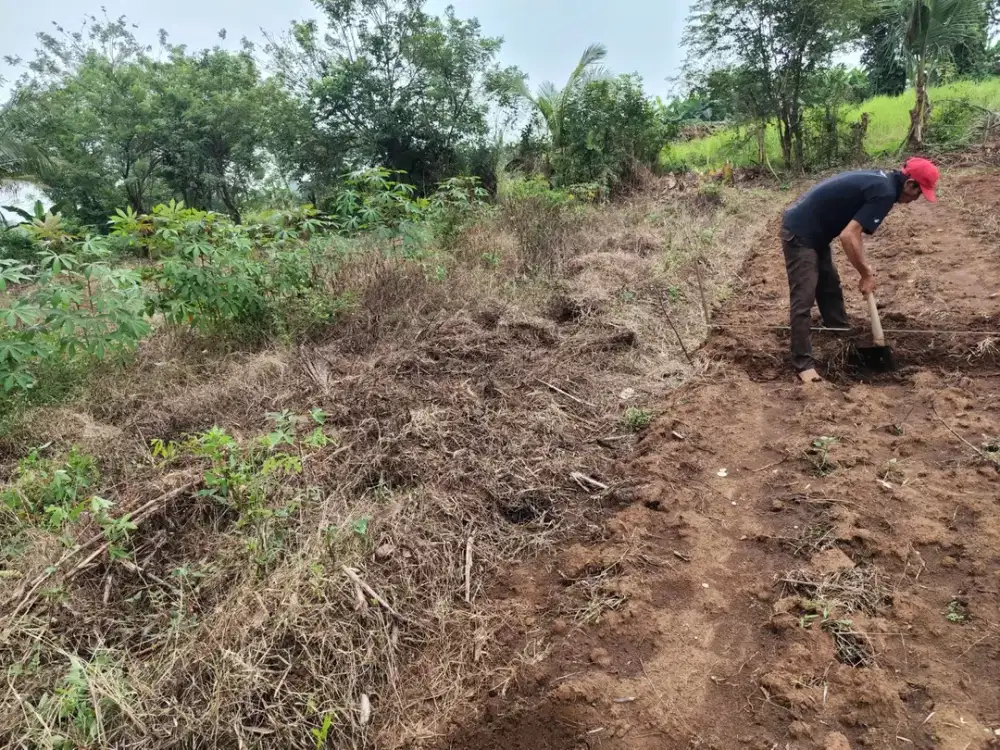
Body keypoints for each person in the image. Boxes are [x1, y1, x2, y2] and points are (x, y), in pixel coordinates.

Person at [780, 157, 940, 383]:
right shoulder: (885, 193)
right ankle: (803, 364)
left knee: (829, 287)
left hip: (817, 232)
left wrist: (866, 268)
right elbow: (849, 235)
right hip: (800, 233)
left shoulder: (885, 183)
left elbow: (853, 233)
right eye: (919, 193)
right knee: (803, 298)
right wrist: (865, 273)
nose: (916, 199)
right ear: (910, 184)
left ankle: (840, 335)